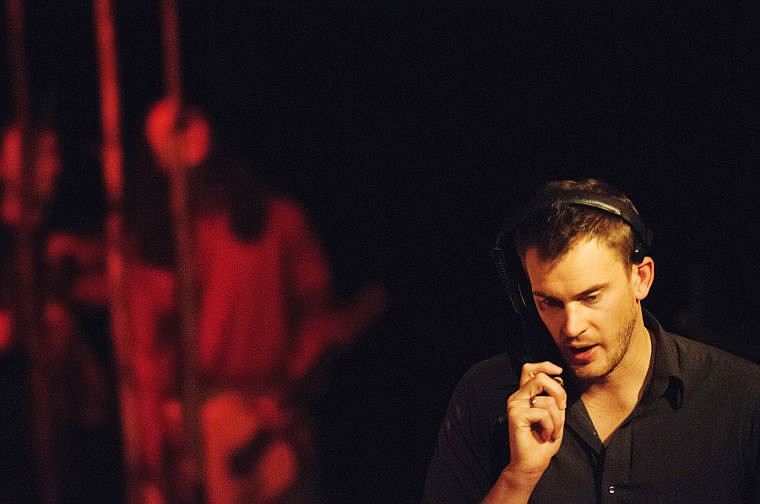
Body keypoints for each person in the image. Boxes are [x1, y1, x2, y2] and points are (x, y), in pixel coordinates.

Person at [422, 178, 760, 503]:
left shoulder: (741, 398)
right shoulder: (486, 393)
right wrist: (519, 478)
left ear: (641, 279)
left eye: (591, 297)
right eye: (549, 302)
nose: (571, 327)